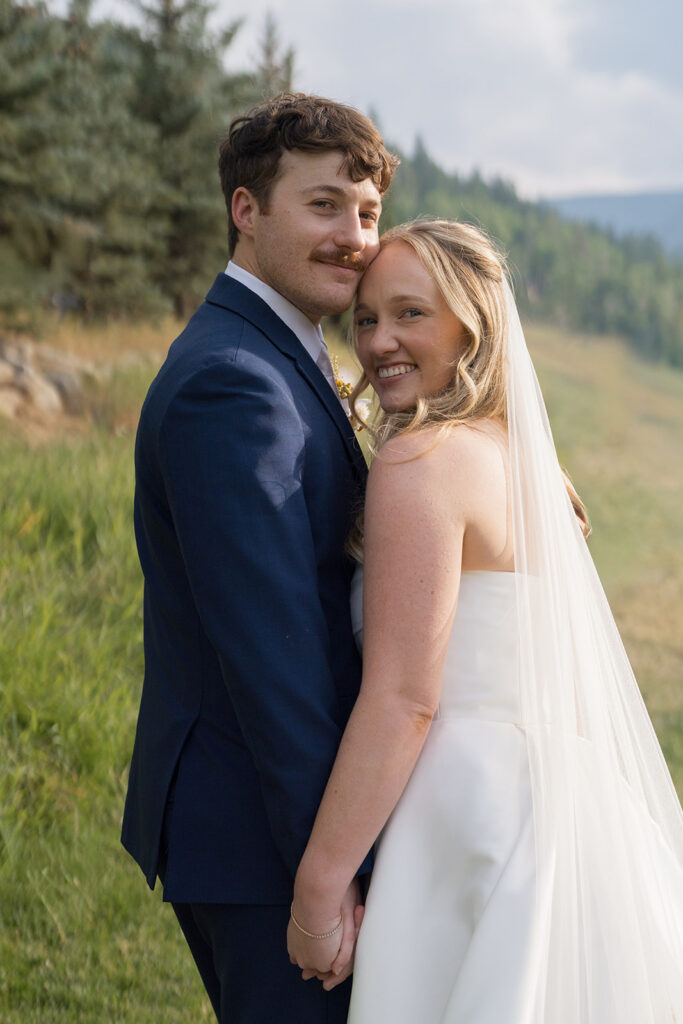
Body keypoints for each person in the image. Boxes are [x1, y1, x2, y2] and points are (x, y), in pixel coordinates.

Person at [287, 220, 683, 1021]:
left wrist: (317, 891)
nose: (378, 341)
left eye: (410, 314)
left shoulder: (421, 463)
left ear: (473, 327)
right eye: (365, 318)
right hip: (573, 813)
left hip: (465, 824)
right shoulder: (527, 467)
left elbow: (405, 699)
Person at [120, 92, 398, 1024]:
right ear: (248, 210)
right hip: (263, 836)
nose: (353, 237)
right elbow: (275, 658)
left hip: (272, 822)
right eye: (323, 205)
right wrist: (335, 872)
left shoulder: (288, 350)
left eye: (366, 213)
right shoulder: (233, 385)